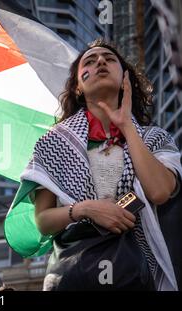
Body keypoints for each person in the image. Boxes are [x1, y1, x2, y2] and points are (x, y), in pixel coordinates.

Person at [21, 39, 181, 290]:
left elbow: (159, 191)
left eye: (109, 59)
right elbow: (43, 220)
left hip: (141, 275)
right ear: (78, 86)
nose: (100, 62)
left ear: (125, 79)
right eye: (90, 61)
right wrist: (85, 209)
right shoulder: (54, 144)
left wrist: (127, 125)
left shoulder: (154, 138)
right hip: (75, 275)